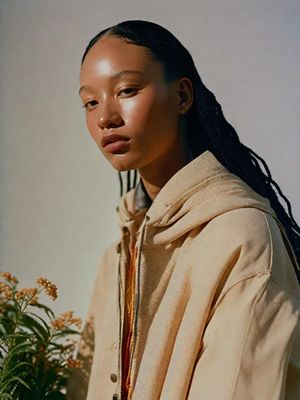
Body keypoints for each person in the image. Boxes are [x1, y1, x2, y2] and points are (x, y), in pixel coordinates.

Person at [67, 20, 300, 400]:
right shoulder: (117, 258)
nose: (105, 117)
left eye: (126, 90)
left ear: (182, 96)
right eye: (90, 102)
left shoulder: (243, 239)